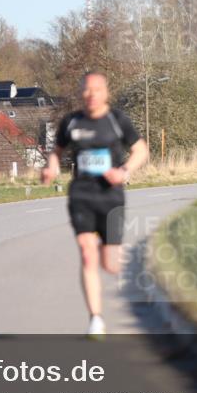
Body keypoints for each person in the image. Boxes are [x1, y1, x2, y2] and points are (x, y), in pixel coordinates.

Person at [42, 71, 148, 336]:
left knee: (110, 264)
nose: (91, 95)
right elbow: (56, 152)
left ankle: (145, 276)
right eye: (87, 90)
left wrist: (123, 172)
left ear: (106, 92)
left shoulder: (116, 120)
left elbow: (141, 150)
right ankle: (96, 320)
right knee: (87, 254)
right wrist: (51, 168)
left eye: (97, 90)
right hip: (81, 195)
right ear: (81, 93)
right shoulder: (71, 122)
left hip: (111, 195)